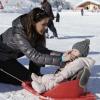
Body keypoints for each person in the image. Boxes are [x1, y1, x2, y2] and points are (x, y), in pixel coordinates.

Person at [0, 7, 74, 85]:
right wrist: (61, 60)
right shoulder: (18, 33)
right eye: (43, 24)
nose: (46, 28)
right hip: (2, 58)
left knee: (33, 77)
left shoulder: (35, 31)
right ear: (34, 22)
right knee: (28, 80)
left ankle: (34, 74)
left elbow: (42, 51)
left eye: (47, 24)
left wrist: (64, 55)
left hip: (9, 58)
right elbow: (34, 56)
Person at [31, 39, 95, 93]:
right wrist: (67, 54)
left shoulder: (79, 62)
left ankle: (43, 88)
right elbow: (63, 60)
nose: (72, 52)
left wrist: (61, 76)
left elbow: (70, 70)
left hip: (67, 79)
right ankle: (40, 80)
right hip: (63, 75)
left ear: (82, 54)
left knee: (54, 82)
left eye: (75, 51)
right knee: (50, 76)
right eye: (72, 50)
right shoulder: (75, 59)